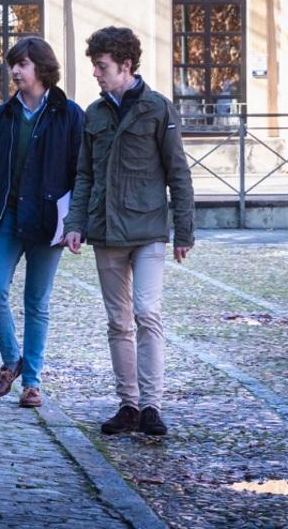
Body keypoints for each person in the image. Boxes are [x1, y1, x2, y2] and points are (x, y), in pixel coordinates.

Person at [63, 26, 195, 437]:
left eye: (102, 67)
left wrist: (184, 231)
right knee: (118, 321)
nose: (96, 74)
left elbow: (178, 171)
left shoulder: (158, 109)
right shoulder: (95, 114)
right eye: (95, 66)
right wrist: (74, 224)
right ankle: (129, 405)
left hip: (150, 228)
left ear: (125, 65)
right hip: (105, 232)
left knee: (147, 313)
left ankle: (153, 405)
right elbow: (83, 174)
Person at [0, 37, 83, 409]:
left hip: (48, 220)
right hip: (6, 215)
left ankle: (31, 382)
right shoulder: (3, 116)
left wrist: (76, 223)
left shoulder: (69, 114)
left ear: (42, 69)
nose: (15, 71)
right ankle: (11, 359)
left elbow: (82, 173)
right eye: (13, 64)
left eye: (23, 64)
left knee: (36, 302)